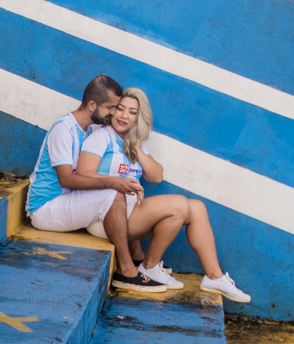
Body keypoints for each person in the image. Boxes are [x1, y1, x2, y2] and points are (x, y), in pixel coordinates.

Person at [76, 87, 251, 303]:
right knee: (178, 205)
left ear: (139, 118)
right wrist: (117, 183)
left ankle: (214, 276)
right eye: (120, 109)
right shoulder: (102, 137)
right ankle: (149, 266)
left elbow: (156, 176)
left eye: (132, 112)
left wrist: (136, 147)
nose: (124, 116)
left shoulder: (132, 143)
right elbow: (83, 174)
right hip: (104, 217)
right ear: (112, 110)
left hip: (129, 212)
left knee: (196, 208)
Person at [27, 76, 164, 293]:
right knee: (113, 192)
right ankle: (127, 271)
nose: (113, 114)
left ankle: (136, 259)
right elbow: (66, 179)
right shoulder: (64, 129)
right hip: (45, 207)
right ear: (93, 105)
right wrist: (115, 182)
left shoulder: (87, 131)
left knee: (116, 192)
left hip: (69, 201)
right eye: (110, 108)